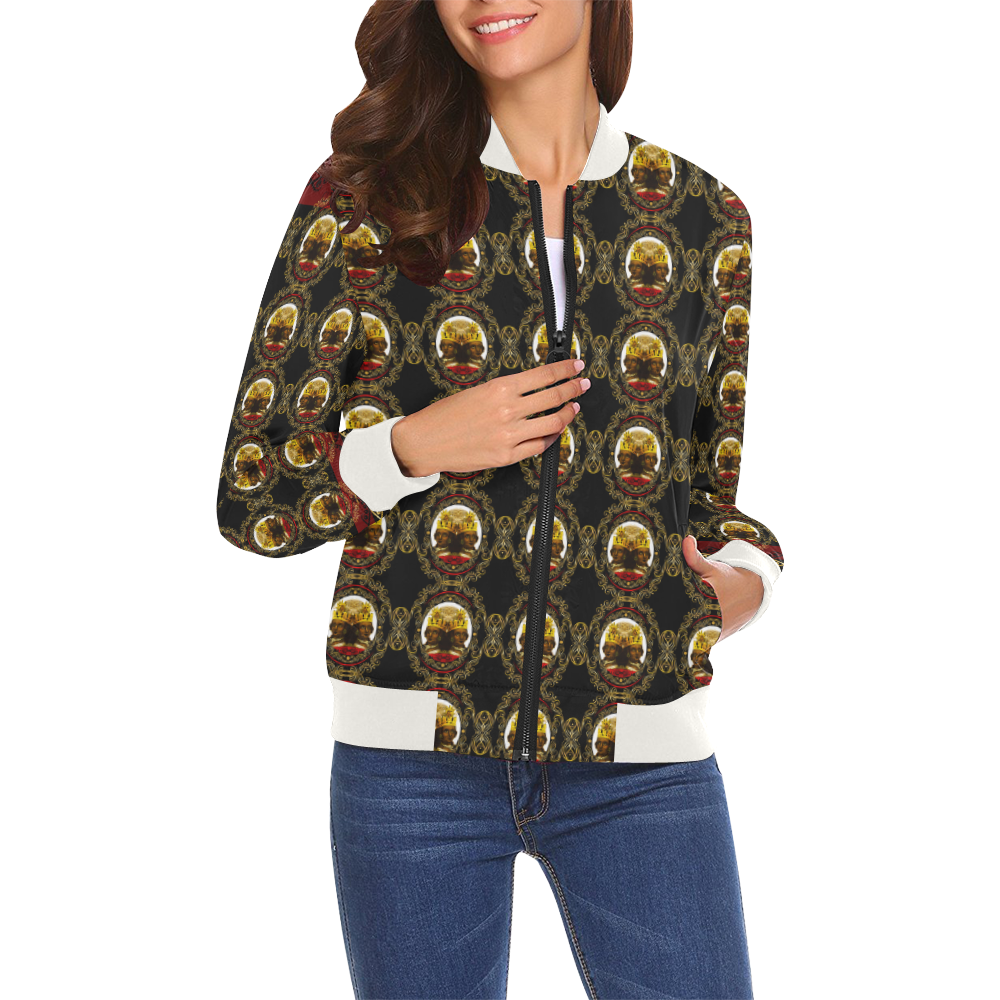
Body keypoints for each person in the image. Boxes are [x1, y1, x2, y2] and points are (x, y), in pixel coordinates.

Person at [215, 2, 784, 996]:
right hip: (412, 759)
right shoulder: (366, 202)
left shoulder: (704, 220)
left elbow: (703, 496)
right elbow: (251, 492)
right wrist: (409, 447)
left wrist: (749, 579)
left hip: (642, 753)